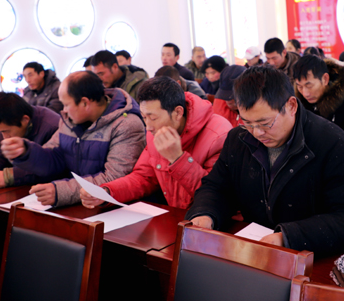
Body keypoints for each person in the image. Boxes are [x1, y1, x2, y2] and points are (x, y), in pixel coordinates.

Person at [186, 65, 344, 256]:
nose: (257, 133)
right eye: (247, 122)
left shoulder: (334, 144)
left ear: (291, 106)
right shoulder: (239, 138)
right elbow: (217, 187)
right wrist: (205, 213)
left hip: (313, 257)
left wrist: (288, 237)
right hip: (254, 251)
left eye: (265, 123)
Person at [80, 77, 231, 209]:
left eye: (153, 118)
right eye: (144, 117)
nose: (148, 127)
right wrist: (107, 192)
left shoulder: (218, 136)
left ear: (178, 112)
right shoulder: (156, 131)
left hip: (208, 221)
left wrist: (178, 159)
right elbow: (144, 177)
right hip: (175, 216)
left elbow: (216, 196)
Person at [0, 71, 146, 207]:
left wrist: (61, 192)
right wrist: (26, 152)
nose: (63, 110)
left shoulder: (126, 125)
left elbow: (113, 179)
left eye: (66, 104)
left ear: (85, 103)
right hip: (77, 204)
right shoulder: (70, 121)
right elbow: (53, 157)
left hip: (110, 208)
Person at [0, 93, 60, 188]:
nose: (5, 137)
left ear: (25, 120)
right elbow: (4, 153)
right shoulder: (14, 120)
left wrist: (10, 176)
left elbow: (50, 167)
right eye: (1, 132)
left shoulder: (52, 128)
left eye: (6, 131)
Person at [293, 55, 344, 138]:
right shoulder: (297, 103)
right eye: (300, 87)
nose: (305, 93)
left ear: (325, 79)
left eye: (309, 86)